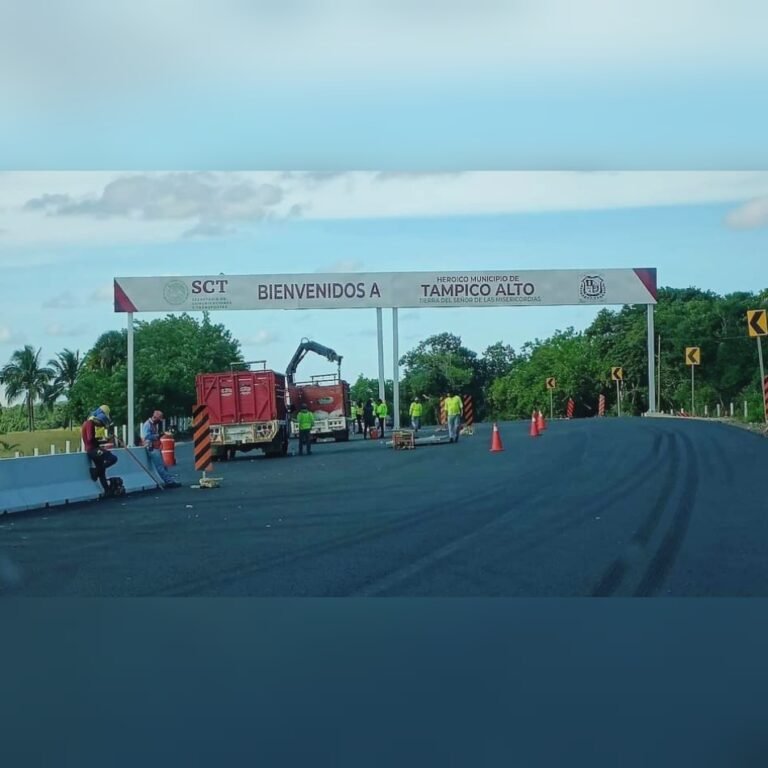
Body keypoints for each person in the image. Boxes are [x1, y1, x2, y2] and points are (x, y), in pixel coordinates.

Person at [82, 405, 118, 497]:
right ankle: (95, 471)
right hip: (93, 450)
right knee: (113, 458)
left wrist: (105, 440)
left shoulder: (90, 423)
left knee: (102, 471)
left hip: (93, 449)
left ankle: (107, 490)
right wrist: (102, 440)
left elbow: (93, 439)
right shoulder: (90, 423)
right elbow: (90, 439)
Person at [141, 410, 182, 488]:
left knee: (163, 466)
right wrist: (157, 435)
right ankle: (169, 482)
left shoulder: (152, 424)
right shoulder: (147, 425)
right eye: (159, 419)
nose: (159, 421)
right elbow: (146, 436)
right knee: (160, 466)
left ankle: (170, 480)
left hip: (155, 447)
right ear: (155, 417)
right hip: (151, 447)